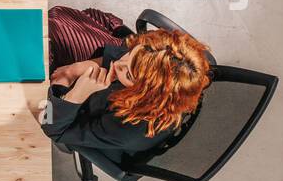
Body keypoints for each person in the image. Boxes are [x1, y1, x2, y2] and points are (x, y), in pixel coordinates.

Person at [43, 25, 213, 163]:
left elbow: (52, 128)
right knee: (57, 23)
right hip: (99, 91)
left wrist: (74, 95)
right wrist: (80, 67)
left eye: (129, 74)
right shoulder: (146, 58)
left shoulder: (127, 129)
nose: (117, 65)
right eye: (130, 55)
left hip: (78, 115)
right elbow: (120, 57)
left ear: (145, 93)